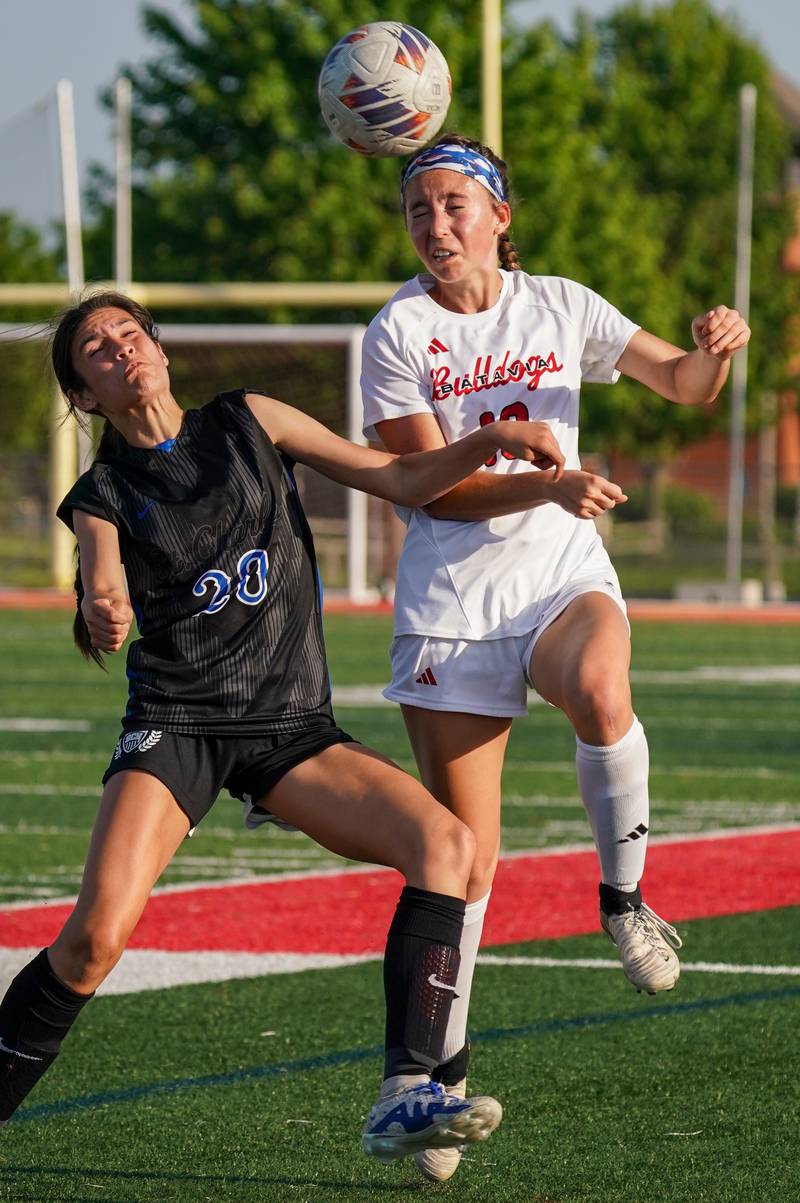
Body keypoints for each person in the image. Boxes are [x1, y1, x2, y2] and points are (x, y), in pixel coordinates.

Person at [0, 290, 568, 1162]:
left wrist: (491, 440)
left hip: (290, 726)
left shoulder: (250, 419)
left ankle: (405, 1089)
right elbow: (101, 584)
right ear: (85, 395)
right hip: (178, 724)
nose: (120, 350)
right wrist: (102, 605)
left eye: (128, 333)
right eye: (96, 351)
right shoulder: (104, 490)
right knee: (93, 939)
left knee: (450, 848)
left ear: (157, 346)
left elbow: (399, 477)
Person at [360, 135, 751, 1181]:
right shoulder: (396, 330)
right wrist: (536, 475)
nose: (434, 227)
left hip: (555, 577)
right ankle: (436, 1075)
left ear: (497, 214)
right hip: (450, 607)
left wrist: (715, 345)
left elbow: (680, 381)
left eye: (452, 206)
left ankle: (623, 903)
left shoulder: (560, 305)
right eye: (417, 211)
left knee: (595, 683)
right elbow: (426, 489)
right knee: (464, 861)